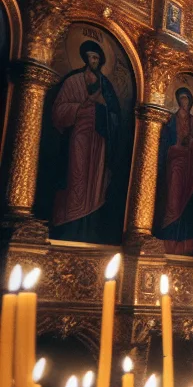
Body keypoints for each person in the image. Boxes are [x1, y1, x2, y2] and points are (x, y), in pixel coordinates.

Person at [47, 40, 126, 242]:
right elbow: (58, 111)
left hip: (99, 142)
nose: (95, 61)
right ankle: (70, 228)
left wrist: (104, 108)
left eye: (98, 57)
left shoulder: (105, 86)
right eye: (92, 57)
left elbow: (116, 116)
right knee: (77, 181)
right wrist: (83, 106)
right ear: (85, 58)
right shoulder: (74, 81)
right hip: (79, 138)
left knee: (96, 186)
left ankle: (91, 230)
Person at [155, 87, 193, 256]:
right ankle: (167, 241)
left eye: (187, 99)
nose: (184, 102)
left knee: (185, 203)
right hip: (175, 162)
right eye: (182, 99)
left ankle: (183, 244)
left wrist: (192, 140)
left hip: (189, 167)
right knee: (173, 202)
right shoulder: (172, 120)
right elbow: (165, 139)